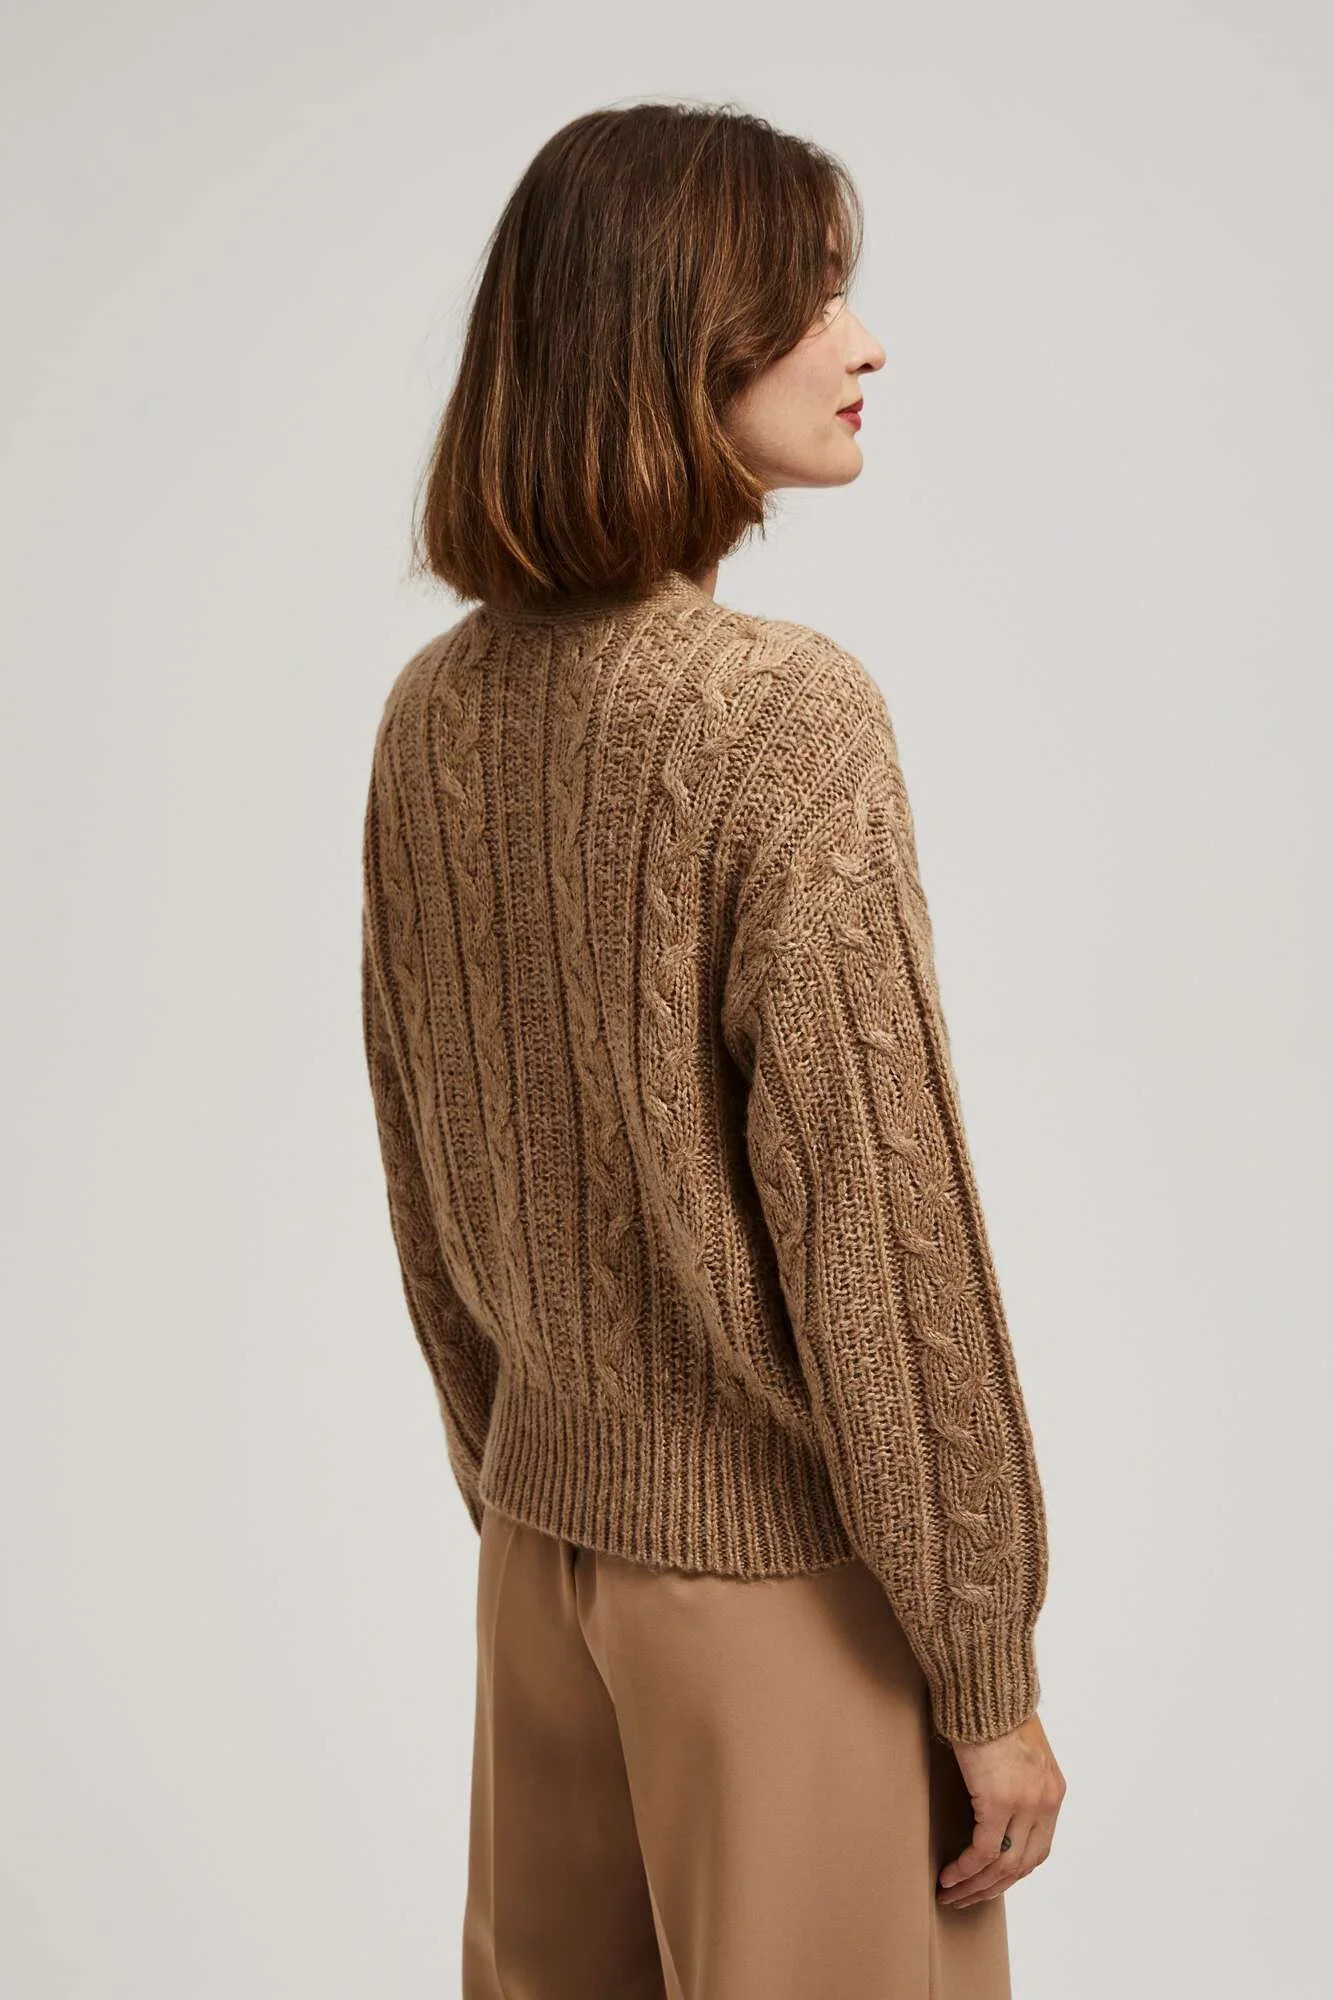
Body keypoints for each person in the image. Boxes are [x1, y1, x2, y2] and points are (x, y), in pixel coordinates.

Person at [360, 97, 1065, 2000]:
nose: (864, 342)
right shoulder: (777, 713)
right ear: (672, 337)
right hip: (773, 1590)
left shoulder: (436, 711)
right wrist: (982, 1668)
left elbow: (430, 1177)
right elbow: (877, 1230)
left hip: (543, 1565)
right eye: (809, 298)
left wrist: (518, 1484)